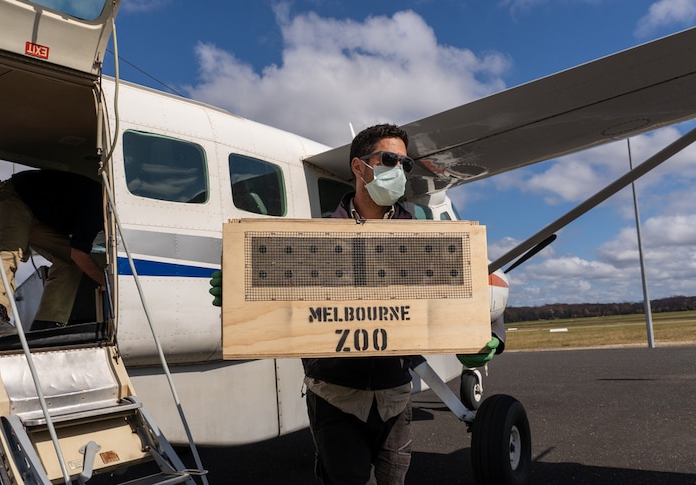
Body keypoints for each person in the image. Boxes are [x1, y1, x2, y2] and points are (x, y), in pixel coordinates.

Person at [209, 123, 503, 484]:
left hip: (395, 396)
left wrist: (478, 340)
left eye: (405, 164)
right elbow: (277, 306)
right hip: (334, 395)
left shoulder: (424, 240)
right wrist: (241, 289)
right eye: (389, 160)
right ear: (359, 167)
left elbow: (456, 298)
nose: (398, 170)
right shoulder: (310, 240)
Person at [0, 169, 105, 337]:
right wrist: (106, 283)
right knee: (10, 251)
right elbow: (79, 253)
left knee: (68, 261)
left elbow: (74, 255)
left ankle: (46, 323)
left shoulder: (97, 207)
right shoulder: (98, 204)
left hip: (38, 213)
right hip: (15, 195)